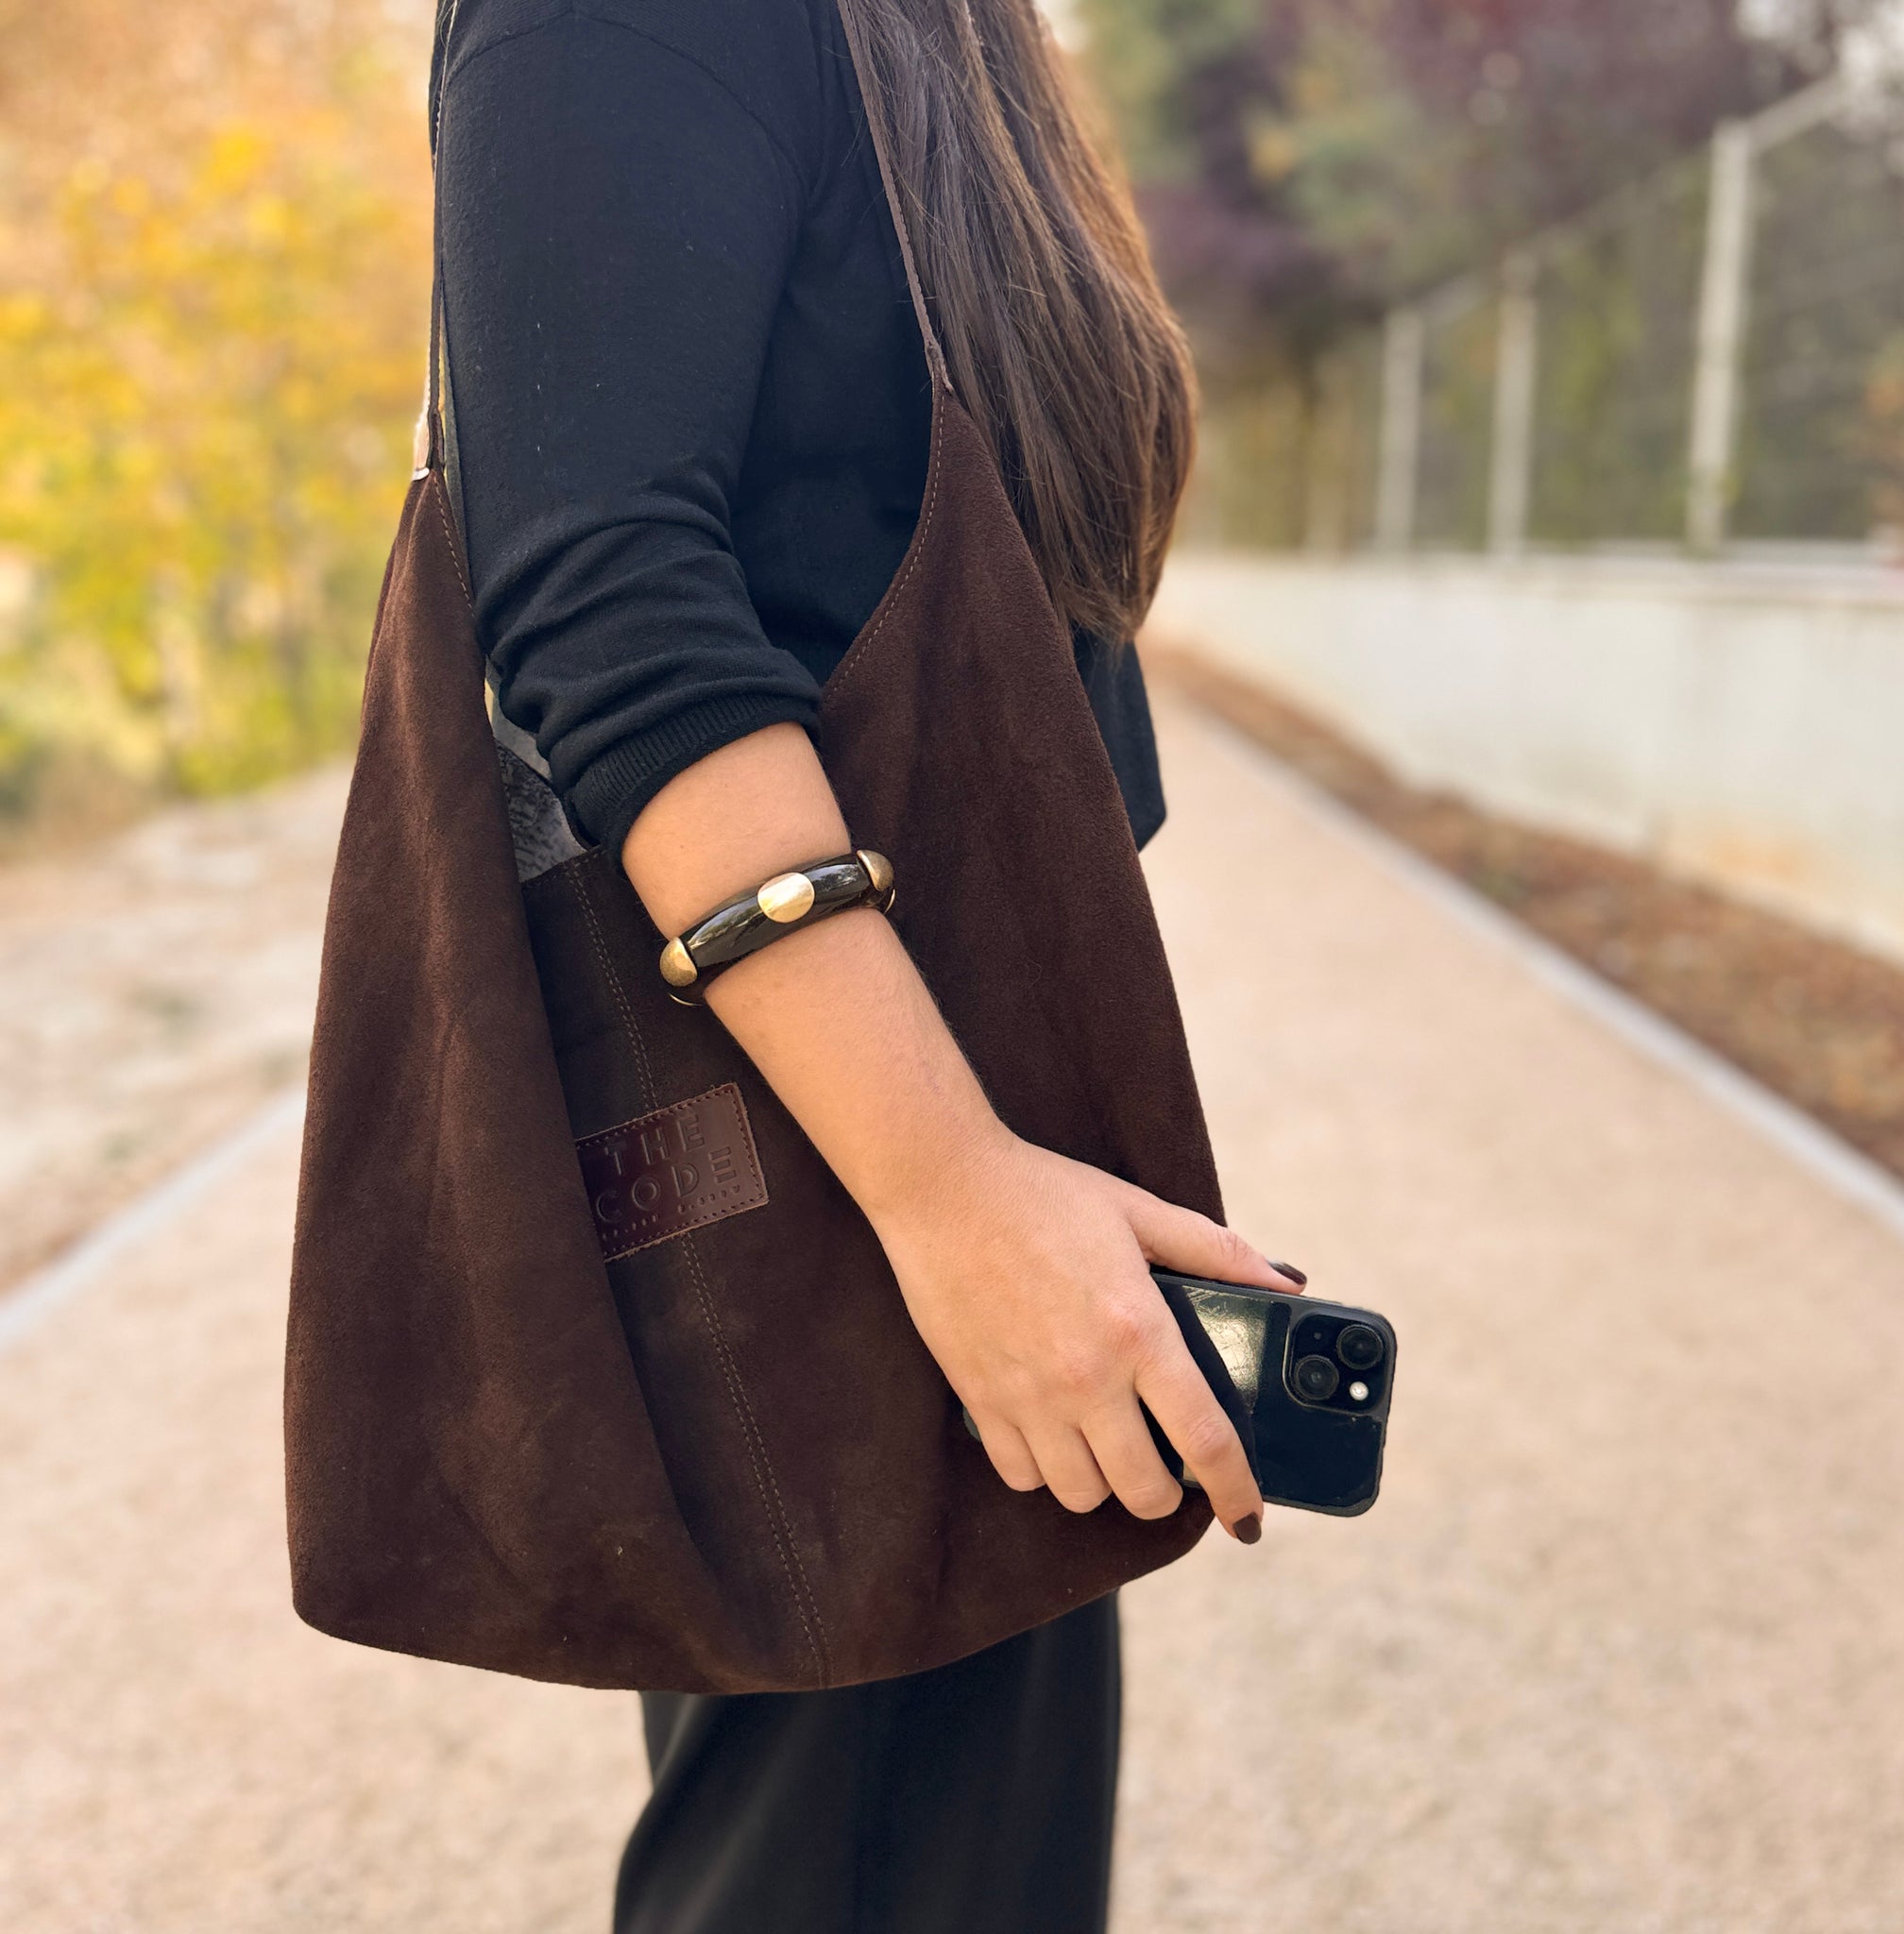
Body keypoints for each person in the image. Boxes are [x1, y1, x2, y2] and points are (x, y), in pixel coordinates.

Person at [432, 0, 1289, 1926]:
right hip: (849, 1136)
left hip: (964, 1120)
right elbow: (601, 594)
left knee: (945, 1849)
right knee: (854, 1862)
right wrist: (946, 1189)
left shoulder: (940, 41)